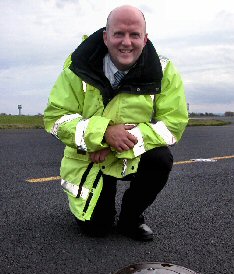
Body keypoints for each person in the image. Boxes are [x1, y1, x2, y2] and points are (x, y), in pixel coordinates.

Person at [44, 5, 188, 241]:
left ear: (145, 38)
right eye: (119, 33)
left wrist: (116, 142)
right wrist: (101, 134)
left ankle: (131, 217)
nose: (126, 42)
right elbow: (56, 117)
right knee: (97, 229)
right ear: (106, 36)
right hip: (89, 157)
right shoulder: (77, 65)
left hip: (128, 153)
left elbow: (173, 123)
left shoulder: (164, 70)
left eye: (134, 35)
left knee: (161, 158)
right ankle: (94, 205)